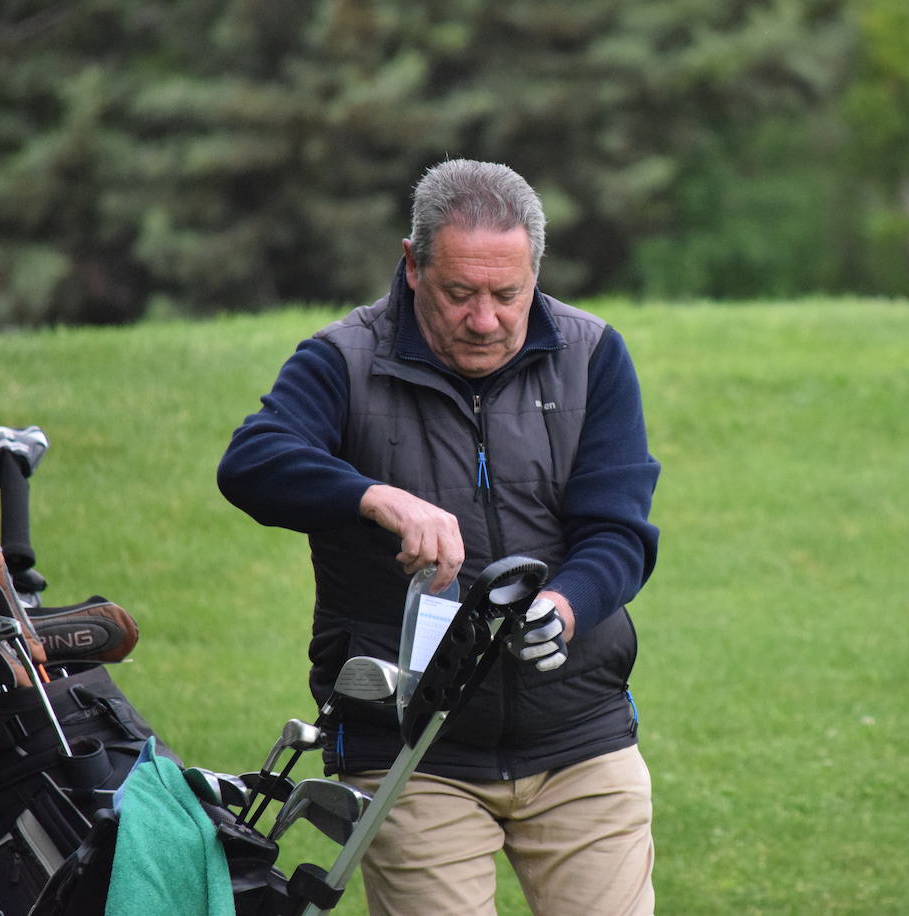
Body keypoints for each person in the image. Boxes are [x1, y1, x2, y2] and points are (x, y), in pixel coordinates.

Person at [217, 159, 661, 915]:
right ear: (412, 266)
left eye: (507, 294)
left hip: (581, 738)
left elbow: (618, 531)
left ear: (535, 272)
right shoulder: (343, 360)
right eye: (459, 294)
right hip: (411, 753)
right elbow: (251, 464)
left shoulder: (593, 355)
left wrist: (566, 606)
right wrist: (374, 497)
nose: (484, 319)